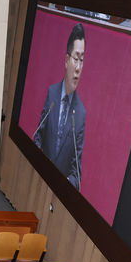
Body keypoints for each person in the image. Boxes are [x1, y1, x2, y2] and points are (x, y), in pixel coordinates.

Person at [33, 23, 86, 191]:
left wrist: (67, 183)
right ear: (66, 60)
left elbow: (76, 171)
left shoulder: (81, 114)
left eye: (82, 60)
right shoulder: (52, 93)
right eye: (76, 58)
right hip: (38, 181)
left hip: (59, 192)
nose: (78, 68)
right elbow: (38, 136)